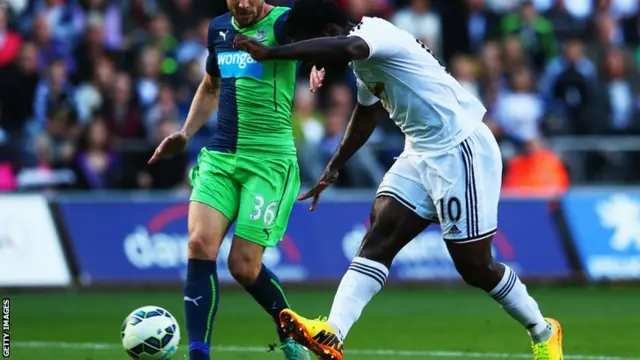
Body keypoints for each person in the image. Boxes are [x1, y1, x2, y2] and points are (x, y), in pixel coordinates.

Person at [233, 1, 564, 360]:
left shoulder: (373, 34)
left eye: (308, 46)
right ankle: (333, 332)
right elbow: (368, 111)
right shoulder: (362, 63)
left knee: (475, 266)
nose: (313, 62)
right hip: (419, 151)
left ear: (328, 33)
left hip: (460, 147)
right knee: (379, 236)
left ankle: (543, 330)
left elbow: (348, 47)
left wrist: (272, 52)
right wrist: (335, 164)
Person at [148, 0, 310, 359]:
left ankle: (291, 333)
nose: (242, 4)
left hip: (269, 161)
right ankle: (199, 354)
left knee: (243, 266)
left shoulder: (285, 23)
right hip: (222, 156)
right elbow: (210, 86)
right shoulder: (219, 28)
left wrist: (322, 69)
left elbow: (329, 42)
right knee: (199, 244)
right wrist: (185, 134)